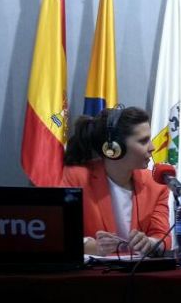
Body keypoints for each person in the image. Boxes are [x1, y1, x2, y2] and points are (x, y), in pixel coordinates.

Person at [61, 106, 171, 257]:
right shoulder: (76, 178)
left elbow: (163, 237)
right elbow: (58, 236)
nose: (152, 147)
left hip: (138, 276)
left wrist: (150, 243)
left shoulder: (156, 185)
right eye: (143, 141)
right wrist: (91, 247)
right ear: (114, 148)